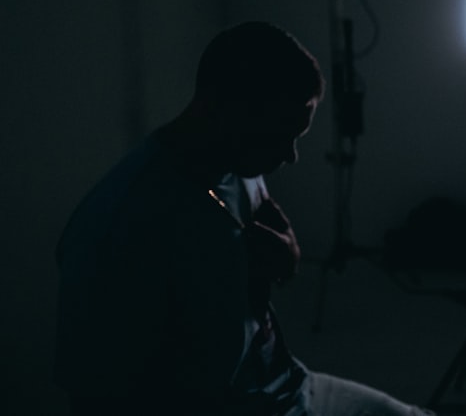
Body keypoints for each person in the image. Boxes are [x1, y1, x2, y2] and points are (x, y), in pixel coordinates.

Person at [54, 21, 434, 416]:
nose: (290, 156)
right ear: (225, 109)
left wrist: (288, 257)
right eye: (282, 133)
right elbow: (94, 396)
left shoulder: (241, 161)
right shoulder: (117, 227)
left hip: (286, 386)